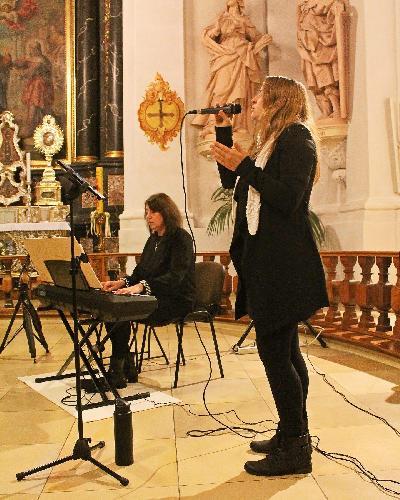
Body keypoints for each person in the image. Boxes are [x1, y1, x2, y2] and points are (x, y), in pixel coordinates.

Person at [210, 75, 329, 477]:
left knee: (276, 355)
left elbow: (288, 198)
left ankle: (295, 448)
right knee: (285, 353)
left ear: (280, 100)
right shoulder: (270, 144)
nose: (254, 100)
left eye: (262, 95)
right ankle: (292, 432)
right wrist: (224, 131)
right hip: (268, 263)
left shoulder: (298, 139)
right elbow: (234, 183)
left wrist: (244, 164)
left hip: (285, 265)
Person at [101, 193, 196, 389]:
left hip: (176, 300)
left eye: (153, 212)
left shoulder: (181, 238)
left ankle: (120, 368)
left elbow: (175, 277)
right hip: (154, 296)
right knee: (112, 308)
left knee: (122, 311)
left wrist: (141, 287)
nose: (148, 217)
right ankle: (123, 364)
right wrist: (121, 282)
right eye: (146, 212)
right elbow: (140, 272)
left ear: (166, 212)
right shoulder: (153, 240)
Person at [192, 0, 272, 139]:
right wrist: (216, 28)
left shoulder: (244, 20)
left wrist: (262, 41)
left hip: (241, 56)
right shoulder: (221, 18)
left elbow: (256, 37)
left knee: (239, 91)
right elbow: (209, 37)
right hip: (224, 55)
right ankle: (214, 123)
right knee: (221, 89)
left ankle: (238, 125)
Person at [297, 0, 346, 119]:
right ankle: (326, 110)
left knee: (325, 75)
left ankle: (336, 108)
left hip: (320, 41)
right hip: (309, 43)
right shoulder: (303, 4)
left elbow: (329, 6)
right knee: (315, 77)